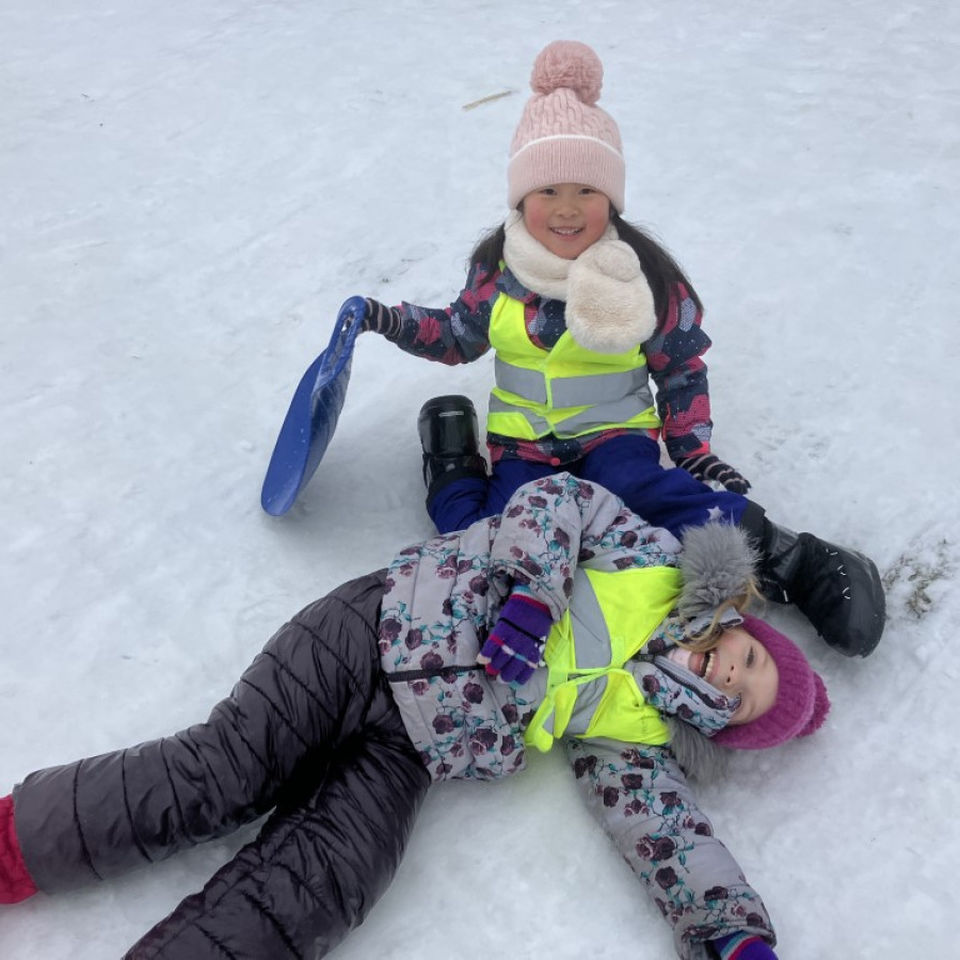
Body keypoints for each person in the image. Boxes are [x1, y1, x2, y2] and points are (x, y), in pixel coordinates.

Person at [1, 474, 829, 960]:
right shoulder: (650, 559)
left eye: (738, 699)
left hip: (416, 746)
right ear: (742, 622)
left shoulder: (636, 738)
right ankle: (13, 845)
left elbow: (670, 836)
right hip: (370, 629)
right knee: (222, 774)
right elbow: (555, 501)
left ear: (718, 724)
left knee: (329, 878)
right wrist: (535, 596)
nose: (730, 675)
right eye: (750, 658)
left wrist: (733, 932)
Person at [355, 40, 885, 659]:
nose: (568, 208)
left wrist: (693, 452)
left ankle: (793, 558)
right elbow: (455, 335)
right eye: (548, 189)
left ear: (613, 197)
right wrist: (388, 319)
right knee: (489, 543)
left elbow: (682, 368)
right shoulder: (497, 272)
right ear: (520, 197)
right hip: (524, 452)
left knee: (652, 501)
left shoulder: (642, 276)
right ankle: (452, 465)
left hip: (615, 438)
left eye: (587, 188)